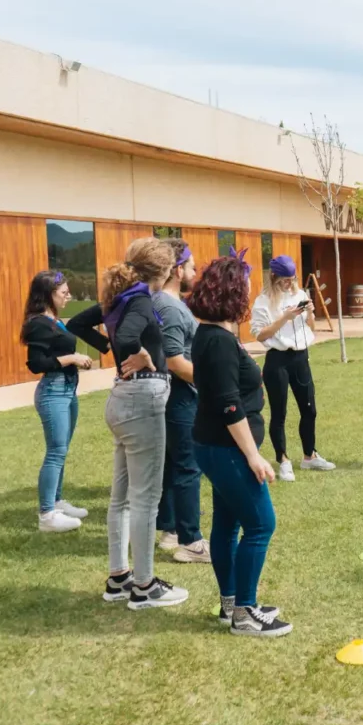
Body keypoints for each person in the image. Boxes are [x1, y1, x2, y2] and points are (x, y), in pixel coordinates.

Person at [66, 237, 188, 610]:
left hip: (122, 399)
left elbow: (76, 322)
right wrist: (139, 354)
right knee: (145, 500)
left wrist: (112, 350)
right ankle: (144, 585)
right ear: (165, 271)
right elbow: (133, 334)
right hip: (142, 401)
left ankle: (119, 578)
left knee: (121, 500)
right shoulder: (138, 300)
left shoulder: (119, 297)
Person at [187, 252, 292, 636]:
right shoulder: (216, 341)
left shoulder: (216, 335)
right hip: (226, 448)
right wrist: (253, 456)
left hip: (216, 446)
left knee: (228, 524)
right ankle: (246, 613)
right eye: (245, 288)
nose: (249, 295)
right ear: (232, 292)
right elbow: (230, 406)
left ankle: (231, 603)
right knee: (261, 524)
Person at [250, 254, 335, 481]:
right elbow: (260, 334)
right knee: (279, 412)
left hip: (301, 357)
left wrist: (310, 313)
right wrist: (284, 318)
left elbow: (311, 327)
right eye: (285, 280)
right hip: (278, 359)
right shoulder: (263, 301)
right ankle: (283, 459)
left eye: (293, 278)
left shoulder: (300, 294)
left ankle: (310, 455)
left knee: (309, 409)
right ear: (275, 277)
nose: (290, 283)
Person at [20, 270, 92, 533]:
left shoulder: (54, 321)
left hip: (67, 391)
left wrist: (74, 359)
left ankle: (57, 501)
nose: (68, 296)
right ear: (48, 295)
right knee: (55, 452)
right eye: (64, 292)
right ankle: (47, 514)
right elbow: (36, 364)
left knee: (61, 449)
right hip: (53, 392)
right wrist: (72, 358)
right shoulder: (38, 323)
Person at [151, 238, 209, 564]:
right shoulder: (170, 307)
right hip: (180, 397)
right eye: (190, 266)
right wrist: (211, 381)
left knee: (172, 465)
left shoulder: (166, 302)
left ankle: (169, 531)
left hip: (174, 397)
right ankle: (192, 541)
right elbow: (174, 360)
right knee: (188, 466)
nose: (194, 271)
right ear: (176, 270)